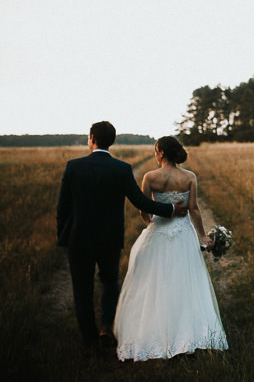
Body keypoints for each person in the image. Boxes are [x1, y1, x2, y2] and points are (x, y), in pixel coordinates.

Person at [57, 121, 190, 356]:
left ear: (92, 138)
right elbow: (140, 201)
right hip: (109, 238)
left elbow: (63, 207)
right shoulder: (121, 168)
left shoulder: (73, 167)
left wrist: (63, 236)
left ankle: (89, 340)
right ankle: (107, 327)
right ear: (112, 141)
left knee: (82, 289)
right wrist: (169, 209)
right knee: (110, 282)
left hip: (79, 239)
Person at [114, 135, 228, 361]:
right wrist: (202, 235)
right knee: (186, 281)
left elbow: (144, 208)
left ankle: (155, 330)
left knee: (154, 281)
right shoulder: (189, 177)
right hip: (183, 233)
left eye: (156, 151)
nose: (155, 155)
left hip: (158, 230)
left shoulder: (150, 176)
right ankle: (188, 332)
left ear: (161, 152)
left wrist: (151, 225)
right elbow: (194, 209)